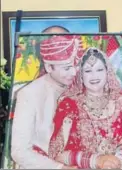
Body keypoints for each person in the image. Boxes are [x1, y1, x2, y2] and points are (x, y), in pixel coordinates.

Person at [46, 47, 122, 169]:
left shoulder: (121, 102)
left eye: (99, 70)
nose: (94, 76)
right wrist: (95, 161)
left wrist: (118, 160)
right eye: (88, 71)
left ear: (107, 72)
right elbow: (56, 153)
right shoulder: (69, 105)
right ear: (80, 75)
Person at [11, 34, 83, 169]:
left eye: (76, 65)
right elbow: (19, 151)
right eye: (67, 68)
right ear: (49, 67)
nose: (73, 72)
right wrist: (60, 168)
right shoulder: (29, 94)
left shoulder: (81, 86)